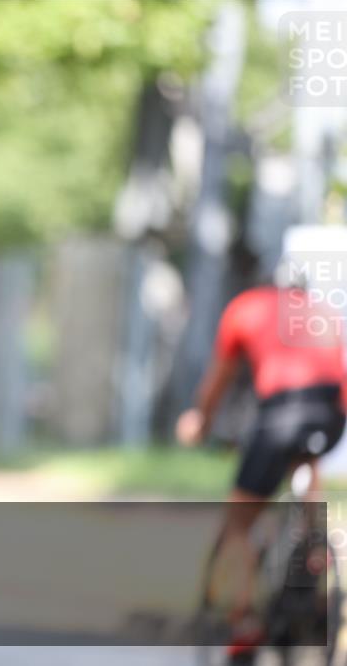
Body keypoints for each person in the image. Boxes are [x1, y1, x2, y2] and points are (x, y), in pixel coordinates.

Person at [176, 241, 347, 661]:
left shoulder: (246, 307)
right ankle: (315, 548)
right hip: (331, 414)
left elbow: (217, 381)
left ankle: (245, 621)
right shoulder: (325, 315)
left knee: (239, 520)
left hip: (281, 413)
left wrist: (199, 421)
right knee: (304, 464)